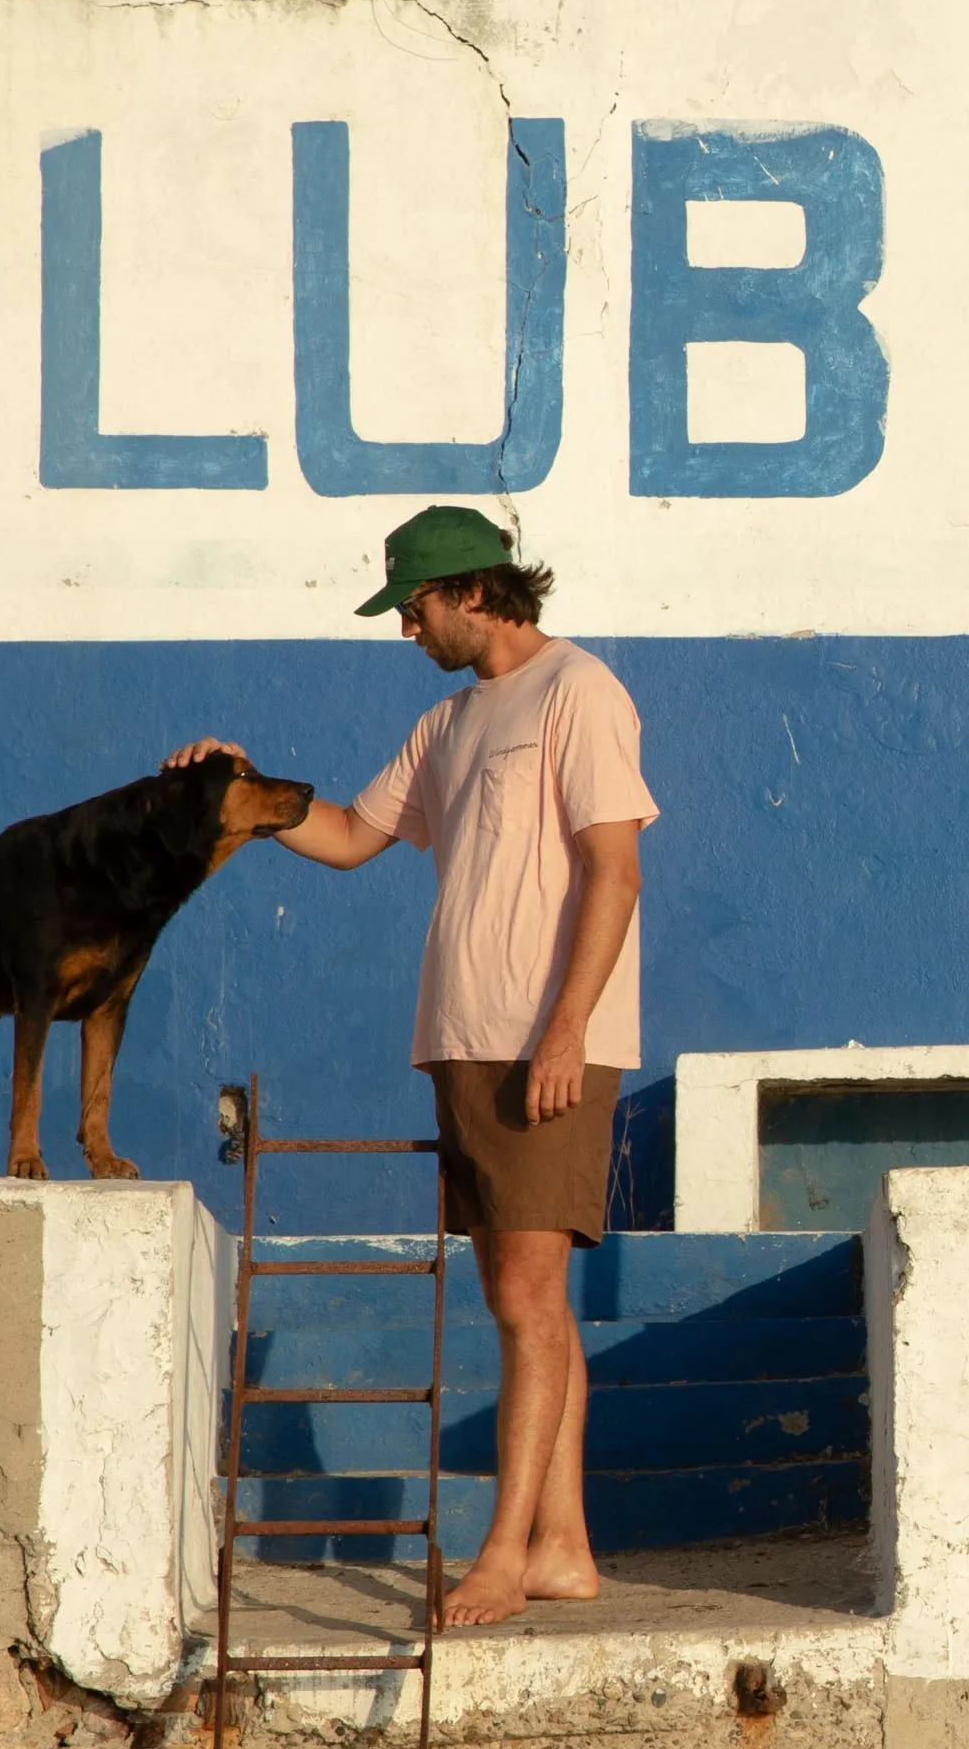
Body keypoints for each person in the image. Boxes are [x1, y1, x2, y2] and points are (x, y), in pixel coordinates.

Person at [165, 504, 658, 1627]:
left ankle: (500, 1556)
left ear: (474, 591)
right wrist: (242, 789)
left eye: (416, 607)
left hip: (545, 1040)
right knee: (521, 1295)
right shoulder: (450, 722)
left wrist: (570, 1026)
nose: (407, 631)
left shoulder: (581, 689)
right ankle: (565, 1547)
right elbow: (345, 835)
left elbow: (614, 872)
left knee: (529, 1296)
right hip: (462, 1037)